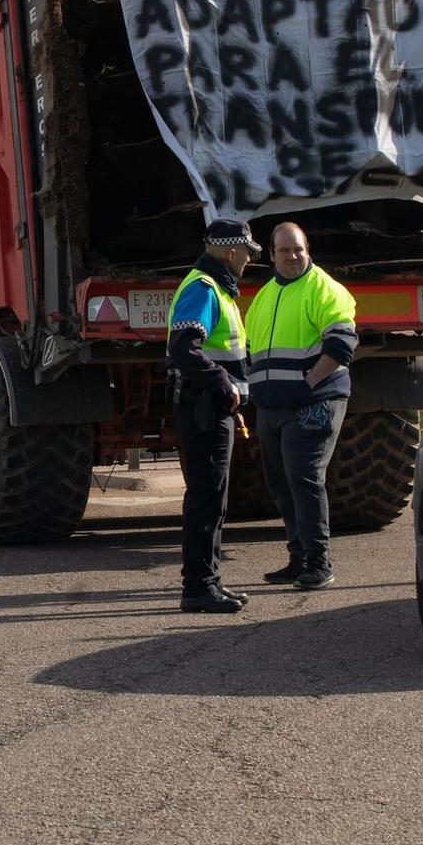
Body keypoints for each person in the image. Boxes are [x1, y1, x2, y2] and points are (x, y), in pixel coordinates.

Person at [244, 222, 358, 590]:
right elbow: (250, 351)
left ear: (308, 250)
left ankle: (319, 562)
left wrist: (308, 384)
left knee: (304, 479)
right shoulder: (264, 296)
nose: (292, 256)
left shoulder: (324, 289)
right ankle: (299, 559)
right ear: (271, 255)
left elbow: (341, 347)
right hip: (272, 407)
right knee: (280, 483)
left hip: (314, 402)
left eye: (298, 249)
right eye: (284, 251)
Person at [167, 219, 261, 614]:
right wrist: (222, 381)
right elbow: (184, 347)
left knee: (213, 498)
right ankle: (199, 587)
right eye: (247, 252)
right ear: (232, 251)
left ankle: (209, 581)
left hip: (212, 407)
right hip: (204, 407)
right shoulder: (204, 289)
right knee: (206, 499)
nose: (249, 260)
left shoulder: (215, 288)